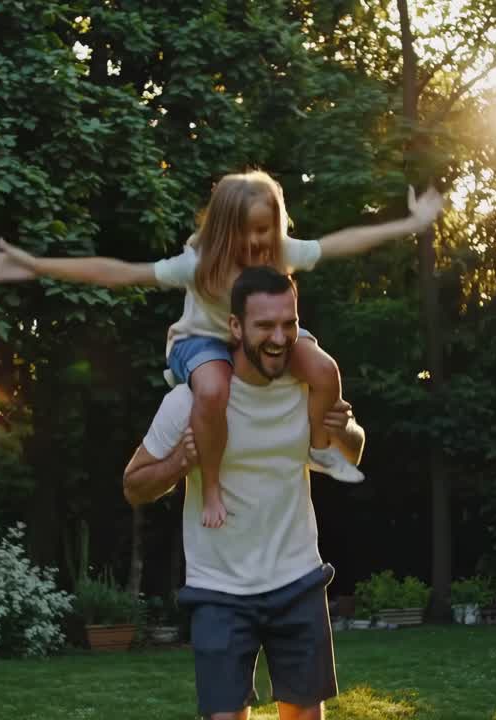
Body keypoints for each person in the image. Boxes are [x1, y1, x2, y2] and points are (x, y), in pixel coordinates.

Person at [0, 171, 440, 529]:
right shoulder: (197, 266)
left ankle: (319, 448)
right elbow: (118, 272)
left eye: (266, 230)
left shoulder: (280, 253)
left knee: (323, 368)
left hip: (256, 339)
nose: (258, 242)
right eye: (248, 232)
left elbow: (343, 242)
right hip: (200, 343)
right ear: (223, 230)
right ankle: (211, 487)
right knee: (213, 390)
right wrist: (36, 265)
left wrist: (411, 223)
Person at [122, 265, 365, 720]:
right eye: (265, 326)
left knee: (305, 715)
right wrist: (178, 463)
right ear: (235, 327)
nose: (279, 337)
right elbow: (133, 486)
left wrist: (345, 431)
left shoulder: (306, 390)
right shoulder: (189, 403)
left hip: (296, 578)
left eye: (289, 324)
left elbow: (350, 451)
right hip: (219, 589)